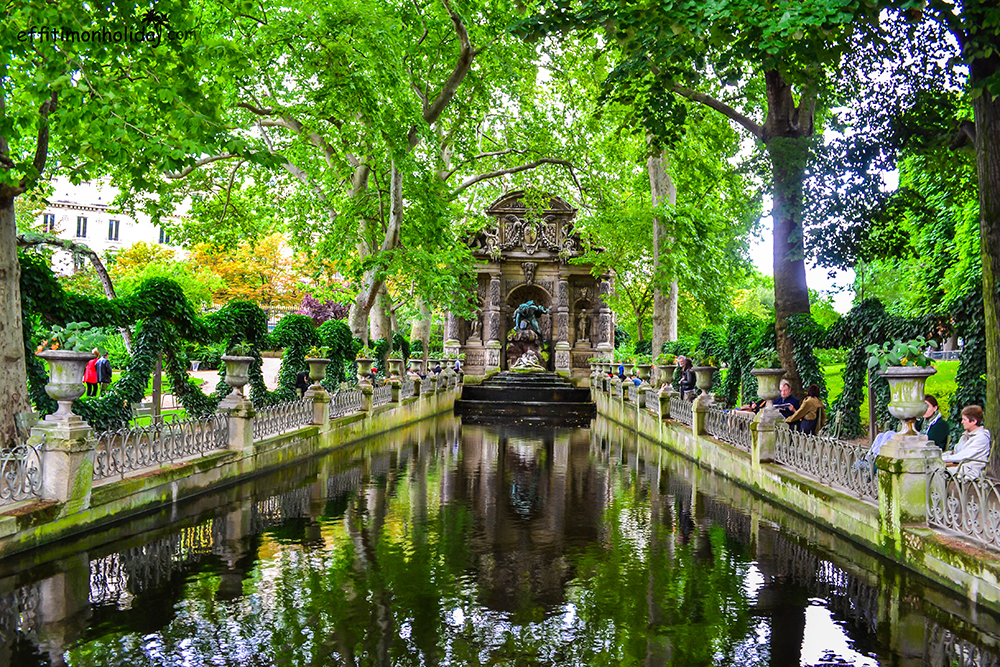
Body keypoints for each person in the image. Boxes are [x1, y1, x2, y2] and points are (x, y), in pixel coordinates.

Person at [942, 405, 992, 478]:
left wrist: (940, 458)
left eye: (964, 419)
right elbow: (956, 452)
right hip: (961, 467)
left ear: (974, 421)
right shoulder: (965, 435)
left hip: (970, 471)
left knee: (937, 474)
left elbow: (962, 456)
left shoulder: (981, 438)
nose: (962, 422)